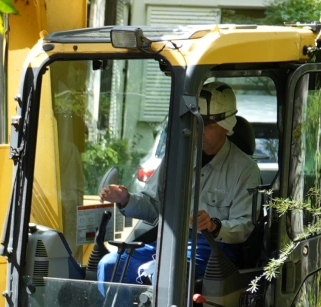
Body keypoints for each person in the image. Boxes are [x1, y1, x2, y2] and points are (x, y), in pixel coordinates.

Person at [98, 80, 263, 288]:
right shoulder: (176, 158)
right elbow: (155, 208)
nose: (197, 128)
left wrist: (214, 226)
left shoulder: (244, 169)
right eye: (195, 121)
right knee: (110, 264)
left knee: (166, 275)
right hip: (169, 243)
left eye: (206, 123)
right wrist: (125, 199)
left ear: (226, 126)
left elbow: (245, 227)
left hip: (214, 251)